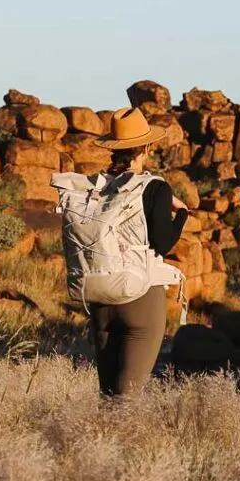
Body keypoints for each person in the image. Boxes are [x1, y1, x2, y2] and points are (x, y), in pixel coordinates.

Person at [85, 106, 188, 397]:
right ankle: (123, 443)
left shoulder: (99, 186)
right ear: (146, 146)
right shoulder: (155, 188)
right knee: (126, 397)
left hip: (100, 293)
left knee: (107, 394)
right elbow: (162, 243)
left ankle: (93, 442)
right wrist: (181, 214)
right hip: (140, 294)